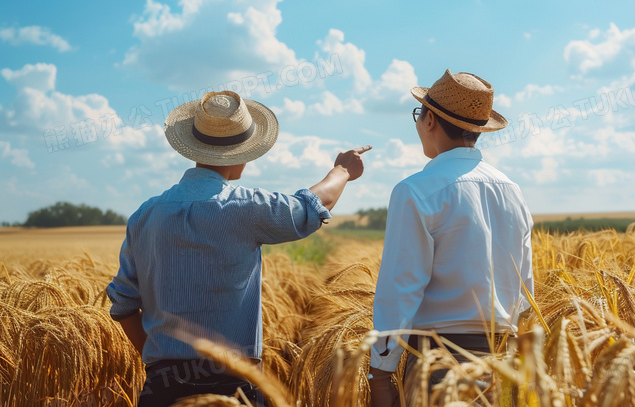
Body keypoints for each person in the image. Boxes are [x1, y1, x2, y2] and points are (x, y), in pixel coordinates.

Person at [105, 90, 370, 407]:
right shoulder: (246, 207)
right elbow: (313, 207)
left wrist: (161, 363)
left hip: (160, 388)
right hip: (232, 388)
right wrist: (342, 170)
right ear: (243, 151)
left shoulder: (145, 214)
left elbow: (122, 304)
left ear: (194, 146)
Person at [368, 70, 534, 406]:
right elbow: (525, 291)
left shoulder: (414, 191)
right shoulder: (513, 192)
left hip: (438, 363)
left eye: (419, 115)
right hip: (502, 365)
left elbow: (401, 289)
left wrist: (380, 375)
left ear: (430, 120)